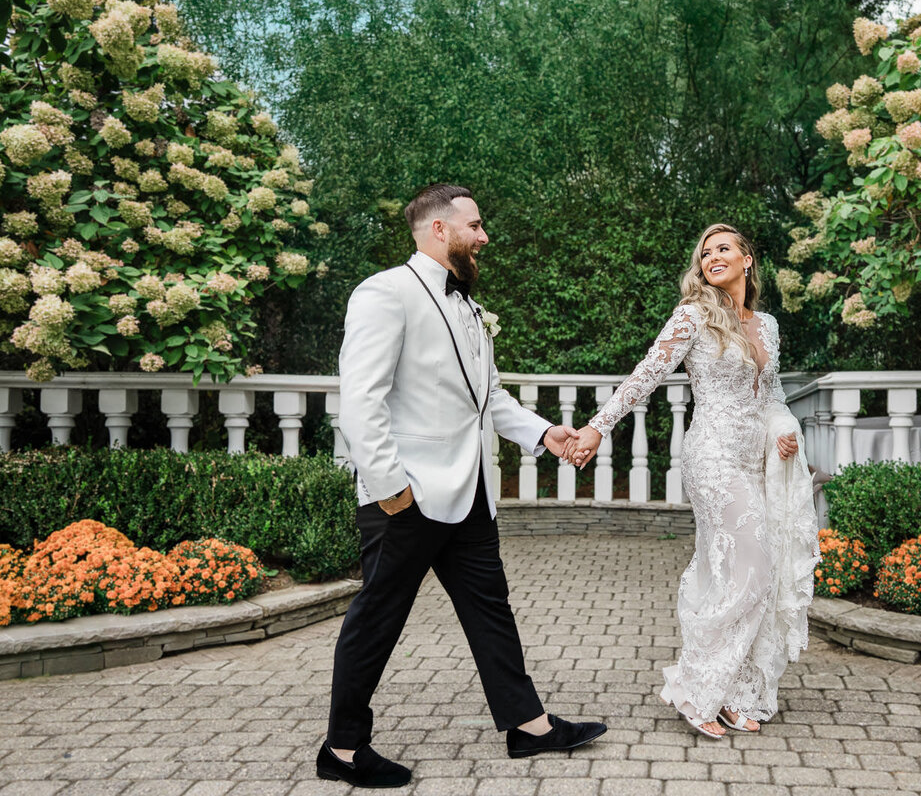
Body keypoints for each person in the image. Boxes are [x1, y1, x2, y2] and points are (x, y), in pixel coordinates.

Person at [320, 183, 607, 788]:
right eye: (474, 226)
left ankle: (527, 726)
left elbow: (488, 398)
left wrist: (546, 434)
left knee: (490, 610)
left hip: (470, 492)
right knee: (377, 619)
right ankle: (342, 750)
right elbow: (361, 401)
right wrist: (391, 490)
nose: (484, 236)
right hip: (408, 497)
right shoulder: (385, 293)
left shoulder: (471, 308)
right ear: (437, 230)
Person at [567, 223, 820, 739]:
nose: (712, 258)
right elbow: (645, 376)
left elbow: (769, 397)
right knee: (751, 568)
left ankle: (734, 693)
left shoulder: (767, 325)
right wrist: (597, 427)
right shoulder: (693, 316)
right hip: (713, 456)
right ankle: (696, 688)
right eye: (705, 253)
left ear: (748, 260)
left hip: (756, 459)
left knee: (743, 572)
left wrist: (784, 432)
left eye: (723, 249)